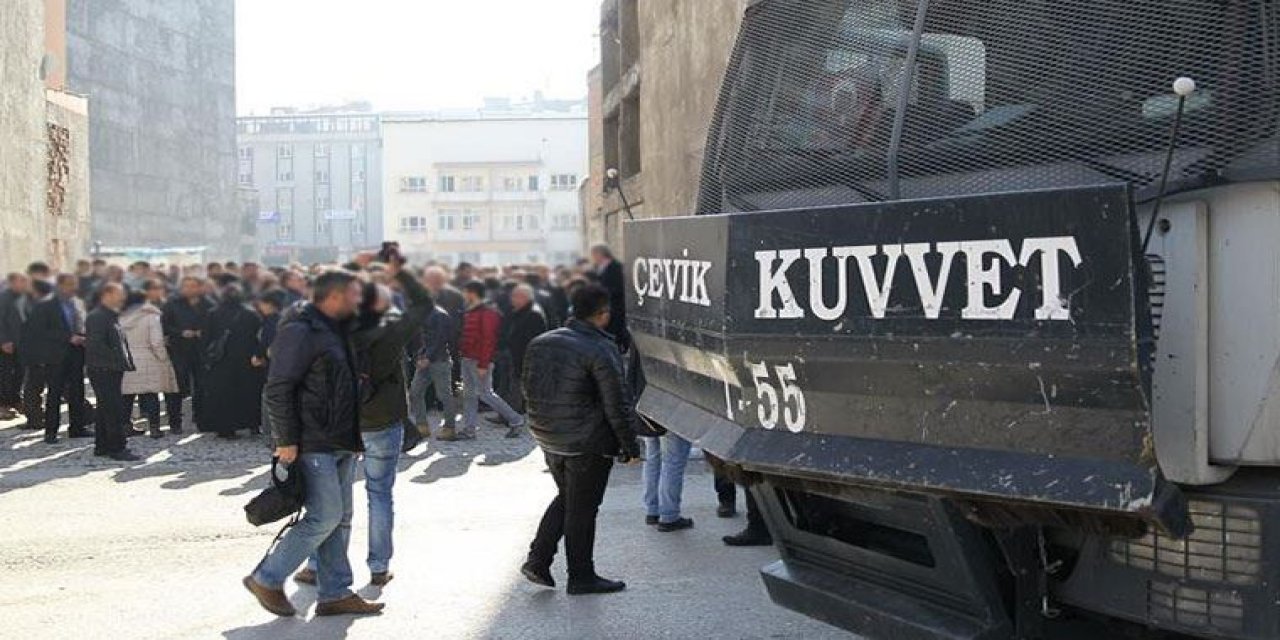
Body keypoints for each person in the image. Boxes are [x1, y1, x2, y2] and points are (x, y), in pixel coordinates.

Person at [244, 270, 384, 618]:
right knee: (326, 516)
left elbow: (344, 383)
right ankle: (268, 577)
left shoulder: (335, 330)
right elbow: (277, 388)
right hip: (311, 439)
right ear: (334, 296)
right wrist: (287, 439)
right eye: (354, 294)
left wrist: (354, 435)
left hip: (339, 439)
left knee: (338, 519)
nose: (358, 300)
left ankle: (335, 592)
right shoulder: (300, 330)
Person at [293, 253, 433, 589]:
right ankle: (379, 566)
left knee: (331, 500)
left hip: (339, 423)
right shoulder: (390, 332)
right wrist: (401, 271)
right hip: (382, 420)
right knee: (380, 494)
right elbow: (424, 303)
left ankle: (316, 565)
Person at [519, 283, 643, 595]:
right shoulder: (601, 348)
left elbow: (527, 387)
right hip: (586, 441)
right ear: (603, 314)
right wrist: (630, 447)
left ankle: (538, 560)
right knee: (582, 509)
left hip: (550, 436)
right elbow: (618, 403)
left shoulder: (541, 342)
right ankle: (581, 575)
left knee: (569, 500)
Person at [446, 281, 525, 441]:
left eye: (465, 292)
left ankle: (516, 419)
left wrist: (484, 363)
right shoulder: (471, 310)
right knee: (469, 395)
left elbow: (489, 340)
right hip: (468, 358)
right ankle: (469, 430)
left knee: (485, 393)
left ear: (472, 293)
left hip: (478, 360)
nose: (463, 295)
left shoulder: (488, 312)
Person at [25, 274, 90, 443]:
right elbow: (39, 331)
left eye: (74, 285)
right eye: (69, 285)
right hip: (55, 356)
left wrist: (83, 337)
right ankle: (51, 431)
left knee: (77, 392)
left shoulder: (77, 303)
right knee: (54, 394)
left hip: (76, 353)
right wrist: (67, 337)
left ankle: (77, 427)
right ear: (60, 285)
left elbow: (82, 323)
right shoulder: (46, 306)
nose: (72, 288)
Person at [201, 285, 263, 439]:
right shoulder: (251, 314)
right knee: (249, 393)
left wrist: (207, 358)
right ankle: (253, 425)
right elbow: (258, 337)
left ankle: (225, 428)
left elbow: (206, 339)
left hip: (221, 362)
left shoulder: (213, 314)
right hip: (246, 361)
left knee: (223, 396)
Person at [85, 283, 138, 462]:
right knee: (113, 409)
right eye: (119, 293)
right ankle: (117, 447)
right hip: (104, 369)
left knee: (104, 409)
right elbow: (96, 344)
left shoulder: (109, 315)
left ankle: (102, 445)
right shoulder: (98, 316)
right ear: (107, 294)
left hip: (111, 368)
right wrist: (115, 359)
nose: (122, 297)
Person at [119, 281, 179, 439]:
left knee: (127, 395)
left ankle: (125, 425)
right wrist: (163, 358)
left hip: (127, 358)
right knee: (151, 394)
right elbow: (156, 341)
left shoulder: (120, 317)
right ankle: (154, 427)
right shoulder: (151, 317)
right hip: (148, 357)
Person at [162, 276, 210, 433]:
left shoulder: (208, 304)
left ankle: (202, 418)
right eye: (186, 286)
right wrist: (181, 333)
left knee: (202, 385)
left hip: (201, 350)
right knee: (176, 386)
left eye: (193, 286)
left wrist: (204, 333)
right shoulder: (172, 304)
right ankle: (175, 421)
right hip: (179, 350)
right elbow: (164, 325)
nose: (190, 289)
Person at [408, 295, 459, 437]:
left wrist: (427, 358)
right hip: (429, 358)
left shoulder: (439, 315)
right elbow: (427, 339)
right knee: (415, 392)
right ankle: (422, 425)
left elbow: (440, 339)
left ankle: (450, 428)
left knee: (443, 395)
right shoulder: (431, 314)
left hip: (439, 361)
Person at [501, 284, 547, 413]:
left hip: (523, 355)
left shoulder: (533, 314)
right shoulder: (517, 310)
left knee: (517, 386)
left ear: (525, 297)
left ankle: (511, 415)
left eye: (516, 296)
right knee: (511, 384)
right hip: (514, 353)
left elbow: (536, 338)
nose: (512, 299)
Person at [0, 273, 32, 421]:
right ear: (12, 282)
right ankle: (3, 405)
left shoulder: (24, 297)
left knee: (20, 373)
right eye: (21, 282)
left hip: (22, 343)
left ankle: (15, 400)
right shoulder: (4, 297)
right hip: (7, 344)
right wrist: (4, 340)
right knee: (5, 374)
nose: (25, 284)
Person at [590, 244, 629, 351]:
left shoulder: (616, 267)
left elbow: (619, 287)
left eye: (593, 255)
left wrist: (602, 292)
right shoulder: (598, 269)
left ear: (600, 254)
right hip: (605, 308)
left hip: (615, 307)